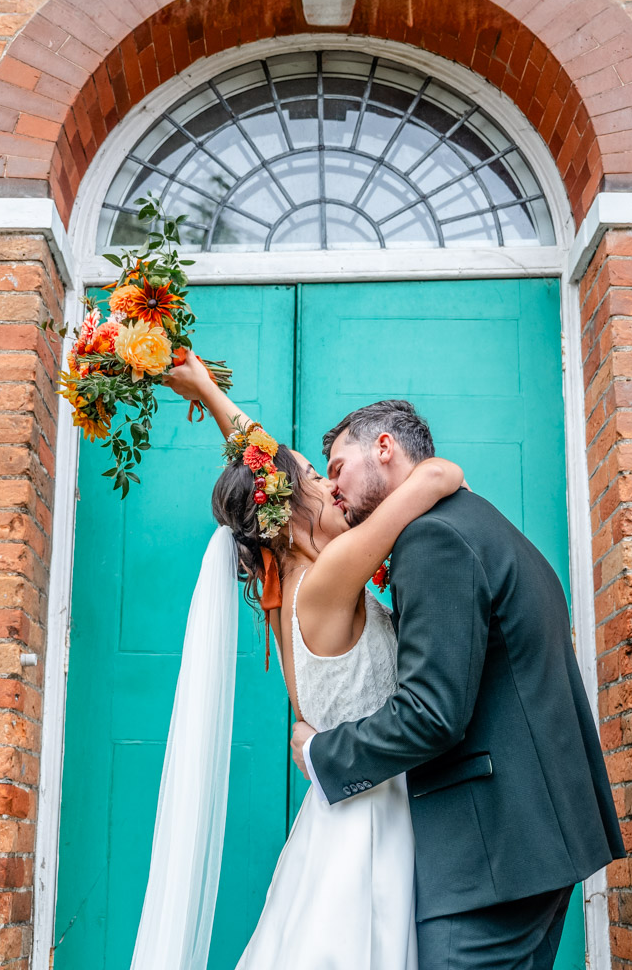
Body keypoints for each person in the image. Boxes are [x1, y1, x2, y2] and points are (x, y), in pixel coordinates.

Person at [288, 398, 627, 970]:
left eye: (338, 468)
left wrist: (322, 752)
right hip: (535, 842)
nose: (334, 488)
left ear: (385, 448)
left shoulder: (433, 540)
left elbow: (432, 714)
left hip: (490, 857)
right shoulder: (481, 522)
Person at [164, 352, 461, 968]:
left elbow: (272, 473)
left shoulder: (287, 594)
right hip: (371, 823)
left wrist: (207, 392)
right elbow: (437, 478)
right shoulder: (327, 579)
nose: (331, 486)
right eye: (318, 479)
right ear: (291, 509)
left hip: (341, 809)